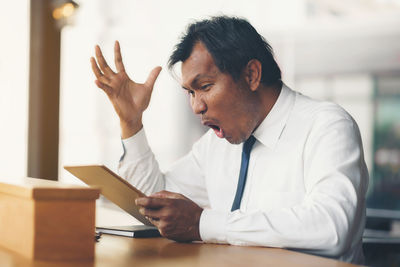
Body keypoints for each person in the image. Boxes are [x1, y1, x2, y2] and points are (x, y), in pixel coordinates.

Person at [90, 16, 369, 263]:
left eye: (205, 87)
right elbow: (152, 203)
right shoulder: (217, 144)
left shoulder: (326, 126)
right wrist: (131, 122)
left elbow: (332, 227)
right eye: (190, 92)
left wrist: (203, 223)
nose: (196, 106)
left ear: (251, 75)